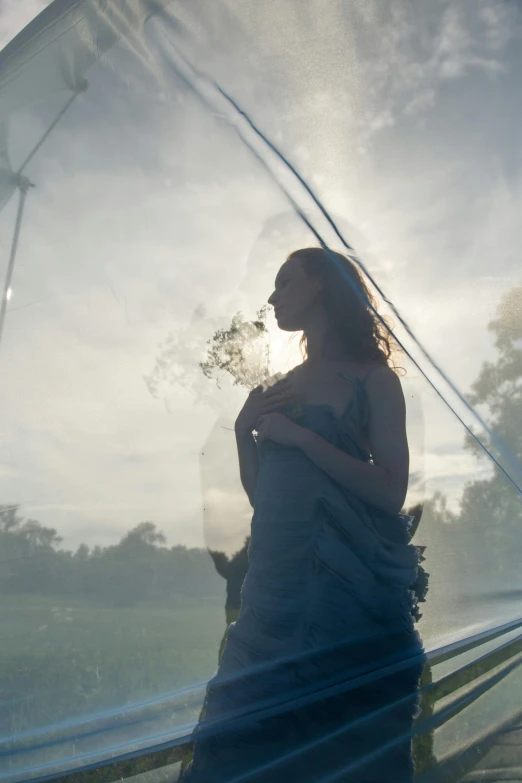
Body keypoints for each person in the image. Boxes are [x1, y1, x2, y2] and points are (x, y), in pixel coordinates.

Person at [181, 247, 425, 782]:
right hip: (272, 598)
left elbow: (390, 491)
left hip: (346, 600)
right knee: (239, 744)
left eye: (285, 281)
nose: (272, 296)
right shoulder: (278, 386)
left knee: (348, 753)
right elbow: (265, 501)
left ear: (321, 285)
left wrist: (300, 437)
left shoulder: (374, 379)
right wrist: (246, 431)